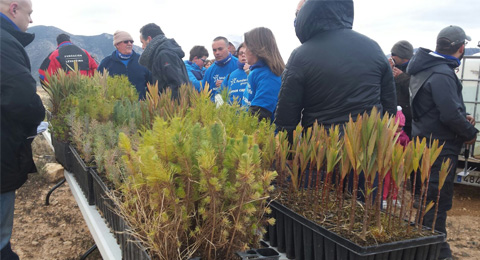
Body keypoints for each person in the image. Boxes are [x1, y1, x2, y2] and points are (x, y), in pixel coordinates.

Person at [275, 0, 396, 139]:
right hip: (368, 147)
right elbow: (389, 104)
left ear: (308, 13)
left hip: (323, 150)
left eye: (298, 13)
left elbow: (286, 115)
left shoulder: (301, 56)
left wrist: (288, 155)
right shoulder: (373, 48)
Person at [407, 25, 478, 260]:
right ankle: (434, 251)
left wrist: (460, 114)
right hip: (439, 149)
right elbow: (448, 116)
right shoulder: (442, 73)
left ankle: (431, 247)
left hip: (424, 144)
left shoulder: (425, 69)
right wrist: (469, 131)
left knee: (428, 198)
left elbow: (432, 110)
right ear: (461, 47)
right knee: (437, 201)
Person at [1, 0, 46, 258]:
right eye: (29, 14)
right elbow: (20, 95)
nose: (30, 21)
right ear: (13, 8)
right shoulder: (4, 42)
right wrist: (38, 113)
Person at [241, 27, 284, 122]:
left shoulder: (269, 75)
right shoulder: (257, 71)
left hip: (262, 135)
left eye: (245, 47)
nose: (243, 51)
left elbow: (259, 115)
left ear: (254, 49)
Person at [138, 23, 188, 99]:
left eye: (142, 42)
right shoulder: (164, 52)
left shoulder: (164, 55)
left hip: (170, 108)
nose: (143, 47)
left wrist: (169, 108)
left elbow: (177, 85)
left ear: (149, 39)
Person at [97, 30, 151, 100]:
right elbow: (98, 84)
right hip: (115, 107)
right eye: (126, 42)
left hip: (140, 107)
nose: (129, 44)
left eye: (131, 42)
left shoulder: (143, 60)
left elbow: (152, 84)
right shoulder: (106, 62)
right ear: (117, 44)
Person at [382, 106, 410, 207]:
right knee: (386, 180)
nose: (399, 128)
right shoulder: (388, 136)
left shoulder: (404, 137)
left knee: (396, 181)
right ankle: (384, 198)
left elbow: (407, 149)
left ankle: (394, 197)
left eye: (401, 126)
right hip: (388, 163)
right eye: (397, 126)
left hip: (398, 163)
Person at [390, 40, 414, 138]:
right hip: (395, 115)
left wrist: (401, 77)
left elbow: (415, 88)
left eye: (394, 54)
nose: (391, 57)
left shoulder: (415, 68)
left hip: (409, 118)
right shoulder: (393, 67)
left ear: (403, 57)